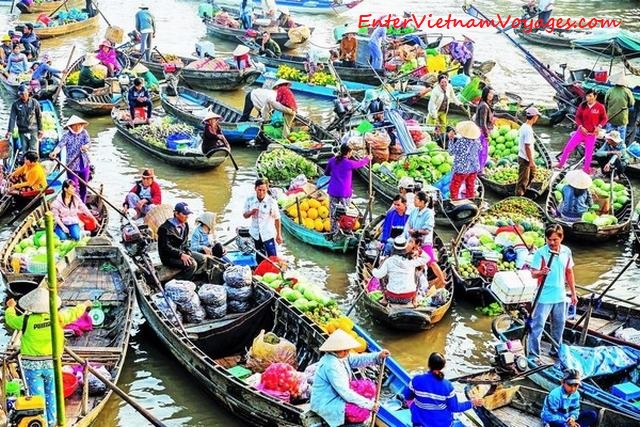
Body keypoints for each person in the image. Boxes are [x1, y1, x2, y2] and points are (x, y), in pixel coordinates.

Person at [5, 288, 91, 427]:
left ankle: (42, 422)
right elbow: (74, 313)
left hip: (31, 366)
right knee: (52, 394)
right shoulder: (57, 317)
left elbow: (11, 320)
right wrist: (85, 304)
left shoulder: (26, 320)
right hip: (52, 363)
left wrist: (10, 308)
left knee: (37, 396)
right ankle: (52, 422)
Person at [310, 329, 390, 427]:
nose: (347, 352)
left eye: (347, 349)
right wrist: (369, 405)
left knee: (369, 388)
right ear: (334, 350)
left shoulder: (341, 357)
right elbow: (345, 393)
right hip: (327, 402)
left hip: (337, 393)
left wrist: (377, 356)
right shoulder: (331, 365)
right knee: (360, 414)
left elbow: (356, 360)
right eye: (344, 350)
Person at [528, 224, 577, 360]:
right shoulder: (541, 253)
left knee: (559, 325)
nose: (551, 242)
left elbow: (569, 272)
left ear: (561, 238)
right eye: (549, 239)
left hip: (560, 296)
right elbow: (533, 273)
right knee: (538, 326)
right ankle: (533, 355)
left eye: (555, 240)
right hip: (543, 296)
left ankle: (556, 351)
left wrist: (573, 293)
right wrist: (541, 272)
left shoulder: (566, 252)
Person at [402, 352, 483, 427]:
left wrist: (414, 406)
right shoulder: (447, 386)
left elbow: (407, 396)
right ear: (443, 366)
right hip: (442, 423)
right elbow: (455, 408)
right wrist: (472, 403)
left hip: (419, 422)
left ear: (429, 364)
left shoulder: (416, 380)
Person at [557, 89, 608, 173]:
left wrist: (599, 126)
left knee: (588, 153)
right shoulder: (583, 105)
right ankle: (561, 164)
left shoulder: (600, 107)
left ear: (595, 97)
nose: (588, 98)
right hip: (581, 132)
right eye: (587, 96)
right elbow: (577, 117)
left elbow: (604, 118)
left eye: (591, 96)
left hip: (592, 134)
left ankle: (586, 169)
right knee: (568, 148)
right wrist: (580, 126)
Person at [403, 191, 446, 287]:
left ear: (422, 202)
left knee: (431, 262)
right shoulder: (414, 211)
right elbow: (408, 224)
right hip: (413, 240)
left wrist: (416, 231)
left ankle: (442, 280)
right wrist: (409, 232)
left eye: (416, 199)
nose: (414, 201)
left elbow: (427, 230)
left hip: (424, 241)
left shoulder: (429, 213)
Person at [325, 144, 369, 235]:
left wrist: (335, 174)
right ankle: (345, 231)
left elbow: (326, 173)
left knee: (333, 213)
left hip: (333, 190)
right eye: (351, 152)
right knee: (346, 213)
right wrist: (368, 159)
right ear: (348, 153)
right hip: (344, 193)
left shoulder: (332, 161)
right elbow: (360, 163)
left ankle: (333, 231)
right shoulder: (349, 163)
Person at [158, 202, 209, 280]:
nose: (187, 217)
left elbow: (185, 242)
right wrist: (180, 255)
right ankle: (179, 282)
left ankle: (191, 277)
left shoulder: (185, 225)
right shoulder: (164, 229)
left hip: (181, 252)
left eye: (188, 214)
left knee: (202, 259)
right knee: (192, 264)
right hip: (169, 256)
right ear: (176, 213)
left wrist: (187, 251)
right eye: (184, 214)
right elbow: (166, 247)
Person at [373, 236, 430, 305]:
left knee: (383, 276)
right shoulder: (411, 261)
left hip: (391, 297)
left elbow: (378, 275)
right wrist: (419, 251)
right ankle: (414, 300)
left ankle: (384, 299)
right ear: (405, 248)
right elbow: (427, 258)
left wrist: (374, 270)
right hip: (408, 298)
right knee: (417, 274)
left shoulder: (389, 261)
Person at [49, 115, 92, 202]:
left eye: (79, 125)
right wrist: (54, 152)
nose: (77, 127)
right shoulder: (67, 135)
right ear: (71, 126)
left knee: (84, 185)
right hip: (72, 165)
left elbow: (88, 143)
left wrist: (85, 147)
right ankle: (75, 205)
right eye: (75, 125)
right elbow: (60, 145)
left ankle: (82, 204)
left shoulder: (84, 133)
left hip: (84, 163)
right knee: (73, 188)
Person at [243, 178, 283, 263]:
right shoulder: (250, 200)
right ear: (255, 189)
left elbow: (277, 219)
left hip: (268, 234)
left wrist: (279, 235)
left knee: (272, 257)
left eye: (263, 190)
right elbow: (245, 215)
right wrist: (251, 212)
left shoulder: (271, 202)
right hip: (255, 233)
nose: (261, 193)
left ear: (267, 189)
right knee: (259, 256)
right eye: (259, 190)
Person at [448, 121, 482, 200]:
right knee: (470, 187)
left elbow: (451, 152)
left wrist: (450, 139)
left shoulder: (461, 141)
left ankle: (455, 203)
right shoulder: (477, 141)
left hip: (462, 168)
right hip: (474, 167)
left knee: (454, 187)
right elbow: (480, 149)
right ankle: (470, 201)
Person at [6, 85, 42, 160]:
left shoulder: (34, 103)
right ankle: (25, 166)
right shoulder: (15, 104)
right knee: (24, 150)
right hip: (22, 131)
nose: (23, 96)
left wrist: (41, 129)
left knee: (34, 150)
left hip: (33, 130)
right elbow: (12, 118)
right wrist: (10, 131)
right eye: (21, 94)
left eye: (24, 93)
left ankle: (35, 166)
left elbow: (39, 116)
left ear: (28, 93)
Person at [604, 71, 635, 143]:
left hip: (611, 117)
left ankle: (608, 147)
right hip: (622, 119)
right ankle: (621, 150)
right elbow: (631, 104)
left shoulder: (610, 90)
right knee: (621, 138)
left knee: (609, 135)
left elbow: (605, 102)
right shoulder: (627, 91)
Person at [516, 106, 540, 196]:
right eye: (537, 116)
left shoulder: (524, 126)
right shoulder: (528, 130)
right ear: (534, 117)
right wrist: (531, 161)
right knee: (523, 181)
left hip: (524, 156)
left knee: (531, 174)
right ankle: (519, 196)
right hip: (525, 158)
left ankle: (524, 192)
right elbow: (527, 146)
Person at [474, 86, 495, 174]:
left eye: (492, 94)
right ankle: (479, 170)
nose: (491, 95)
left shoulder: (484, 104)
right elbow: (483, 123)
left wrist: (507, 115)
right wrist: (486, 136)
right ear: (486, 93)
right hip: (482, 133)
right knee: (482, 152)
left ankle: (479, 169)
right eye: (490, 93)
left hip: (481, 132)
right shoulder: (484, 106)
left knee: (481, 151)